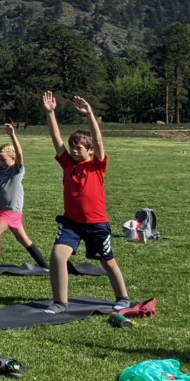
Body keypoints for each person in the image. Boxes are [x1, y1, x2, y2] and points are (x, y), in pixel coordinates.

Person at [41, 92, 132, 313]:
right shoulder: (67, 164)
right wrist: (50, 113)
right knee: (57, 256)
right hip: (71, 222)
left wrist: (90, 114)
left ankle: (123, 297)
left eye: (78, 147)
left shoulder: (97, 165)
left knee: (108, 261)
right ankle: (60, 302)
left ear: (90, 150)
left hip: (96, 224)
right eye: (72, 146)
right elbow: (56, 140)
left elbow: (99, 140)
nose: (73, 150)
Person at [0, 121, 49, 275]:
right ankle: (45, 266)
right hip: (6, 211)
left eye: (4, 159)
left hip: (11, 211)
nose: (0, 162)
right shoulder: (0, 169)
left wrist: (13, 135)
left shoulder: (16, 170)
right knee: (24, 239)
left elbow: (20, 154)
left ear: (12, 159)